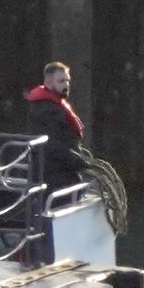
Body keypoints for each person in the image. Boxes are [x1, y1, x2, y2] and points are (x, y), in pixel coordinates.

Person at [26, 61, 87, 194]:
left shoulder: (55, 106)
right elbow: (52, 145)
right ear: (48, 83)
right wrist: (78, 161)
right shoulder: (46, 110)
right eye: (61, 81)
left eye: (67, 81)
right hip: (54, 176)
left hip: (61, 172)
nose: (66, 85)